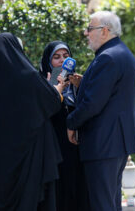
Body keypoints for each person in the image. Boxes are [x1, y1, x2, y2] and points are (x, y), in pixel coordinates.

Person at [66, 11, 135, 211]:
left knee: (101, 204)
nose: (86, 33)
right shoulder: (120, 53)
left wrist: (71, 123)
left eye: (90, 29)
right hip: (113, 143)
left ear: (105, 31)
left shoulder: (108, 57)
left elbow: (93, 104)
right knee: (109, 203)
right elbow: (110, 95)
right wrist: (84, 84)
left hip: (103, 143)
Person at [0, 33, 66, 211]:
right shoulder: (28, 76)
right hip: (31, 153)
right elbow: (51, 102)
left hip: (3, 155)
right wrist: (58, 89)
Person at [39, 41, 89, 211]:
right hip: (54, 150)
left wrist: (81, 88)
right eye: (56, 57)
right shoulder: (41, 83)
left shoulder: (78, 83)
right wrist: (53, 90)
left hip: (76, 149)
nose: (62, 61)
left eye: (66, 57)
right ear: (48, 61)